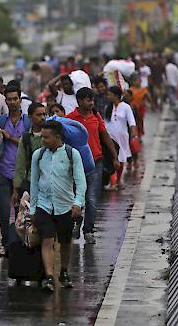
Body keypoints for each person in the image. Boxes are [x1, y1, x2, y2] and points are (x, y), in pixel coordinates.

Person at [30, 120, 87, 292]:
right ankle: (49, 276)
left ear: (57, 137)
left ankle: (63, 271)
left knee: (65, 242)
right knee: (46, 240)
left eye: (46, 138)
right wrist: (33, 209)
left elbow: (81, 182)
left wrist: (78, 202)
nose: (43, 141)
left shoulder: (72, 154)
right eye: (42, 137)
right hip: (44, 205)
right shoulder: (38, 155)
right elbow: (34, 183)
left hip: (66, 206)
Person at [66, 87, 119, 244]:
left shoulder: (96, 116)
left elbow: (105, 136)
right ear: (80, 101)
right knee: (77, 198)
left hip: (96, 162)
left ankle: (88, 230)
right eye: (89, 100)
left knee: (92, 198)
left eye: (92, 100)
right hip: (76, 165)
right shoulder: (71, 119)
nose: (91, 103)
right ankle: (76, 222)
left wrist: (115, 157)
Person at [0, 86, 31, 257]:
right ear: (5, 100)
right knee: (3, 210)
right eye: (9, 99)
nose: (12, 102)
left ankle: (21, 243)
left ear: (20, 100)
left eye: (15, 99)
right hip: (3, 171)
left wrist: (10, 138)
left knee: (22, 211)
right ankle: (6, 243)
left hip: (24, 173)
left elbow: (31, 143)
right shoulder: (0, 121)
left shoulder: (28, 121)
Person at [12, 102, 47, 206]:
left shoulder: (52, 135)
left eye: (44, 114)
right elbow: (20, 165)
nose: (42, 118)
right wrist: (16, 190)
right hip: (31, 182)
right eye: (39, 115)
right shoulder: (26, 138)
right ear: (30, 117)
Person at [104, 86, 137, 188]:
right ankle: (113, 182)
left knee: (121, 158)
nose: (108, 96)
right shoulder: (107, 107)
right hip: (111, 137)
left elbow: (131, 121)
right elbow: (105, 123)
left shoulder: (126, 107)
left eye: (109, 94)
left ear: (116, 95)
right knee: (112, 157)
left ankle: (118, 180)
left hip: (122, 137)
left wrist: (133, 133)